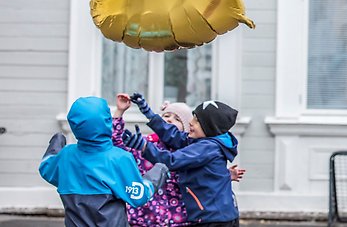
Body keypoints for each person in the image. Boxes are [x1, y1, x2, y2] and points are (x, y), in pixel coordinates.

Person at [112, 94, 246, 226]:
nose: (191, 122)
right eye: (166, 116)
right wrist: (149, 114)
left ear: (209, 127)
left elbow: (171, 160)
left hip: (211, 219)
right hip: (204, 216)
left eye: (197, 120)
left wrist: (144, 147)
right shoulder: (201, 143)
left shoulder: (206, 147)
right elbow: (174, 135)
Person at [38, 96, 169, 227]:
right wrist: (159, 171)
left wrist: (56, 142)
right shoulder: (120, 158)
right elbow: (139, 196)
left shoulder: (66, 155)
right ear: (107, 121)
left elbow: (46, 167)